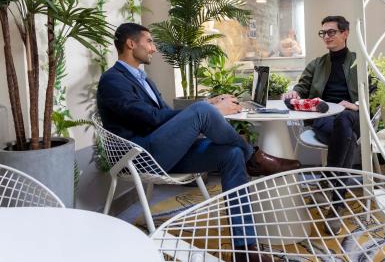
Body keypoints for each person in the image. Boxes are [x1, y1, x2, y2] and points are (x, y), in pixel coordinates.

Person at [97, 23, 300, 261]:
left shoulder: (144, 79)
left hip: (163, 150)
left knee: (232, 153)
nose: (153, 48)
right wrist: (206, 109)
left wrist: (209, 105)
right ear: (131, 44)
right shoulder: (113, 80)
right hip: (141, 155)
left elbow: (164, 115)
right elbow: (150, 118)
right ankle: (254, 157)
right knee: (203, 111)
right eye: (149, 42)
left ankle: (246, 248)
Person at [282, 15, 361, 235]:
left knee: (345, 120)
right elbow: (302, 87)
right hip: (323, 117)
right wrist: (294, 92)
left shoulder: (359, 61)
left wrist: (356, 105)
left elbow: (373, 93)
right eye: (323, 33)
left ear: (345, 33)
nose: (326, 37)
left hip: (351, 116)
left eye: (331, 32)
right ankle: (336, 204)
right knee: (347, 137)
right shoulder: (316, 64)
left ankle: (328, 183)